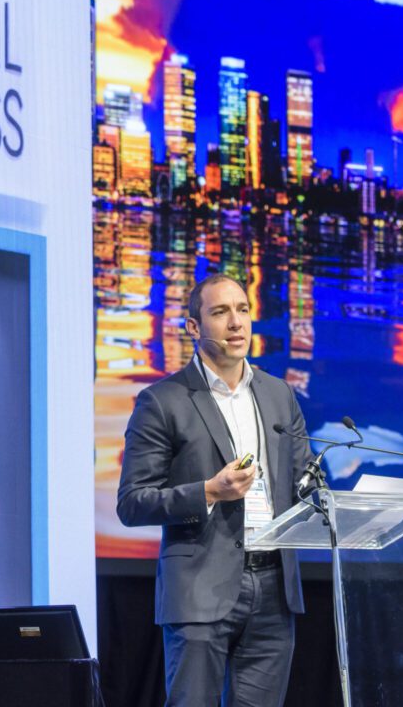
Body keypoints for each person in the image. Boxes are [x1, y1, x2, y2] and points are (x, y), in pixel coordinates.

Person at [117, 273, 314, 707]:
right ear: (193, 326)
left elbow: (305, 482)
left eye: (242, 310)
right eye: (221, 312)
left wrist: (333, 502)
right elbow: (132, 503)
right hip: (198, 591)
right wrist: (208, 491)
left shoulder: (279, 395)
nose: (236, 322)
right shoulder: (163, 400)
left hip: (275, 589)